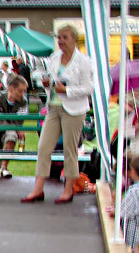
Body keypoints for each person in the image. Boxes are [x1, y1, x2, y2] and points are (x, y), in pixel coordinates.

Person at [22, 24, 93, 204]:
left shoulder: (84, 61)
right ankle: (38, 189)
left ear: (74, 40)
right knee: (43, 147)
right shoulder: (54, 58)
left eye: (64, 37)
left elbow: (89, 88)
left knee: (70, 150)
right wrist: (47, 84)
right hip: (53, 107)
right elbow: (51, 80)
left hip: (74, 109)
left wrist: (67, 90)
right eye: (59, 37)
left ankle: (68, 189)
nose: (60, 41)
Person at [0, 74, 28, 179]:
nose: (22, 94)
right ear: (11, 89)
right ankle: (0, 173)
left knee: (11, 134)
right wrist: (13, 126)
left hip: (8, 135)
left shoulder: (23, 102)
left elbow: (19, 122)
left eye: (24, 91)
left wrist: (13, 127)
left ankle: (4, 168)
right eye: (20, 91)